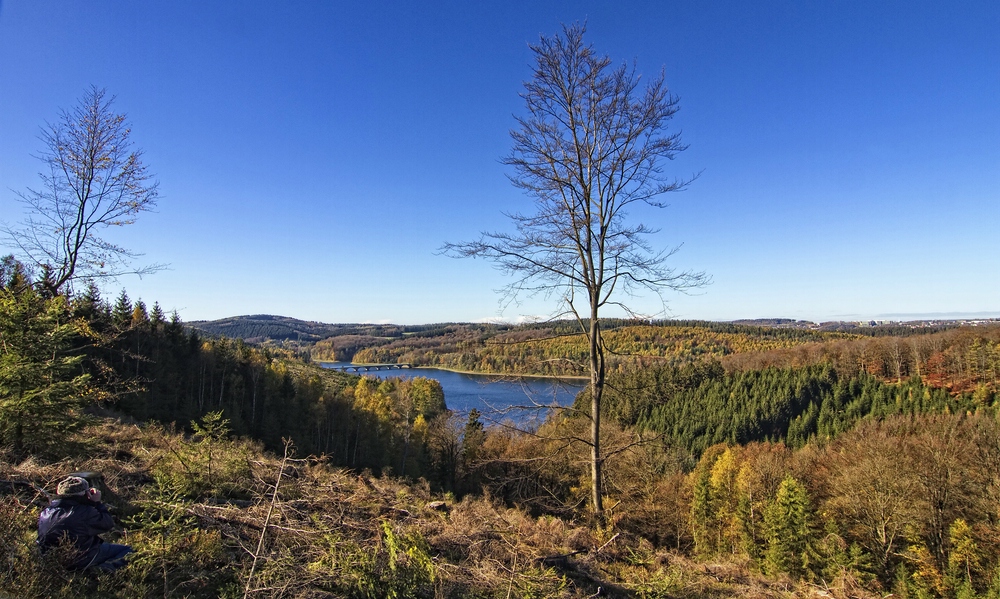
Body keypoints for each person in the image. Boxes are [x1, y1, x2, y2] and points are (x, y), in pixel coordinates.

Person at [37, 475, 133, 572]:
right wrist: (97, 503)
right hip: (81, 559)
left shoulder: (46, 513)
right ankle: (106, 568)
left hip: (51, 560)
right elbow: (107, 523)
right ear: (85, 494)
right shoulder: (85, 512)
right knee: (129, 550)